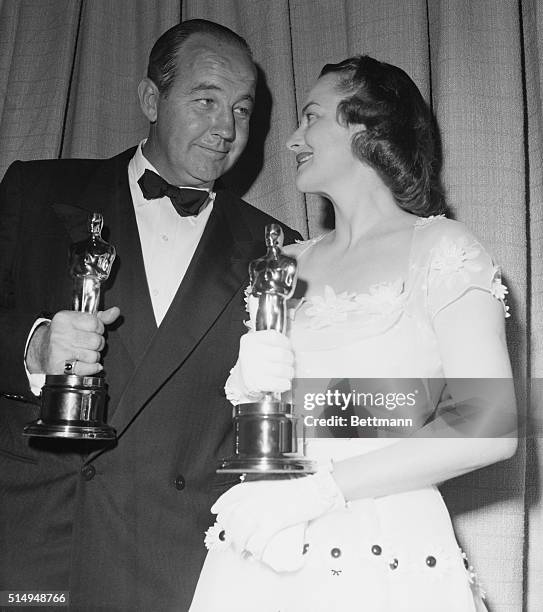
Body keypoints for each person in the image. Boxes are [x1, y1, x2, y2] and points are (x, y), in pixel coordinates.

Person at [189, 55, 517, 612]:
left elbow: (490, 424)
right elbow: (266, 429)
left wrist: (320, 492)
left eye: (310, 117)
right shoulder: (283, 264)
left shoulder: (443, 249)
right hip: (268, 543)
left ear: (367, 126)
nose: (292, 140)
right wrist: (249, 383)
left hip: (385, 549)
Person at [0, 19, 300, 611]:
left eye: (242, 110)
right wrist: (33, 349)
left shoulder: (278, 248)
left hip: (171, 560)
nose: (226, 128)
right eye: (206, 100)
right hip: (30, 539)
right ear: (150, 99)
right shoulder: (35, 188)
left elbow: (307, 404)